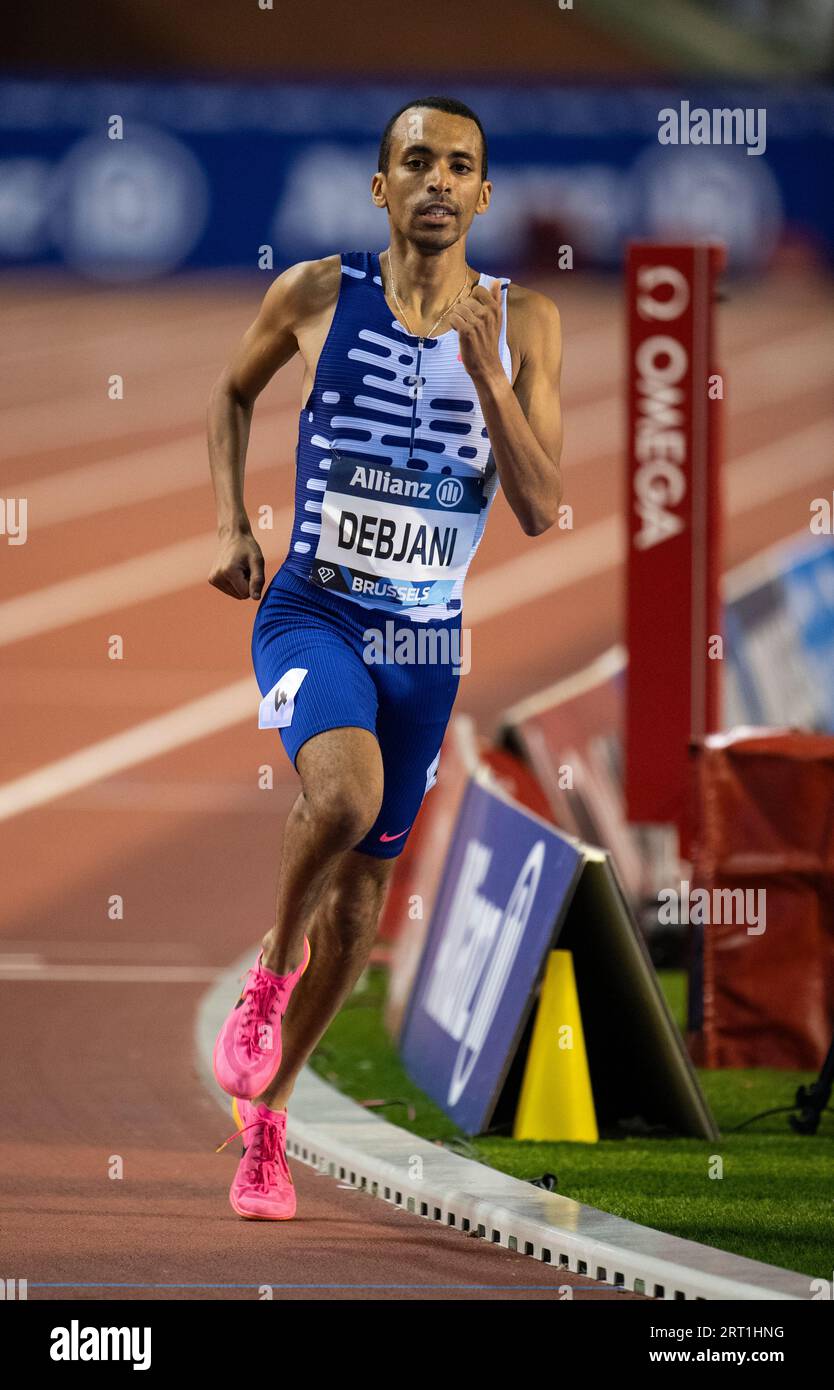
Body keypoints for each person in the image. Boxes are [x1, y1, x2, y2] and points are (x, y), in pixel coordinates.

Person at [207, 95, 563, 1219]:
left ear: (484, 193)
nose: (438, 182)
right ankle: (271, 969)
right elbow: (229, 393)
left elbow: (544, 506)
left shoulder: (525, 322)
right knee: (344, 794)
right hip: (313, 607)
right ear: (382, 188)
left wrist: (493, 382)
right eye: (416, 162)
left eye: (461, 165)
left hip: (428, 643)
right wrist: (231, 522)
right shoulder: (318, 295)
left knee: (360, 916)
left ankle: (269, 1124)